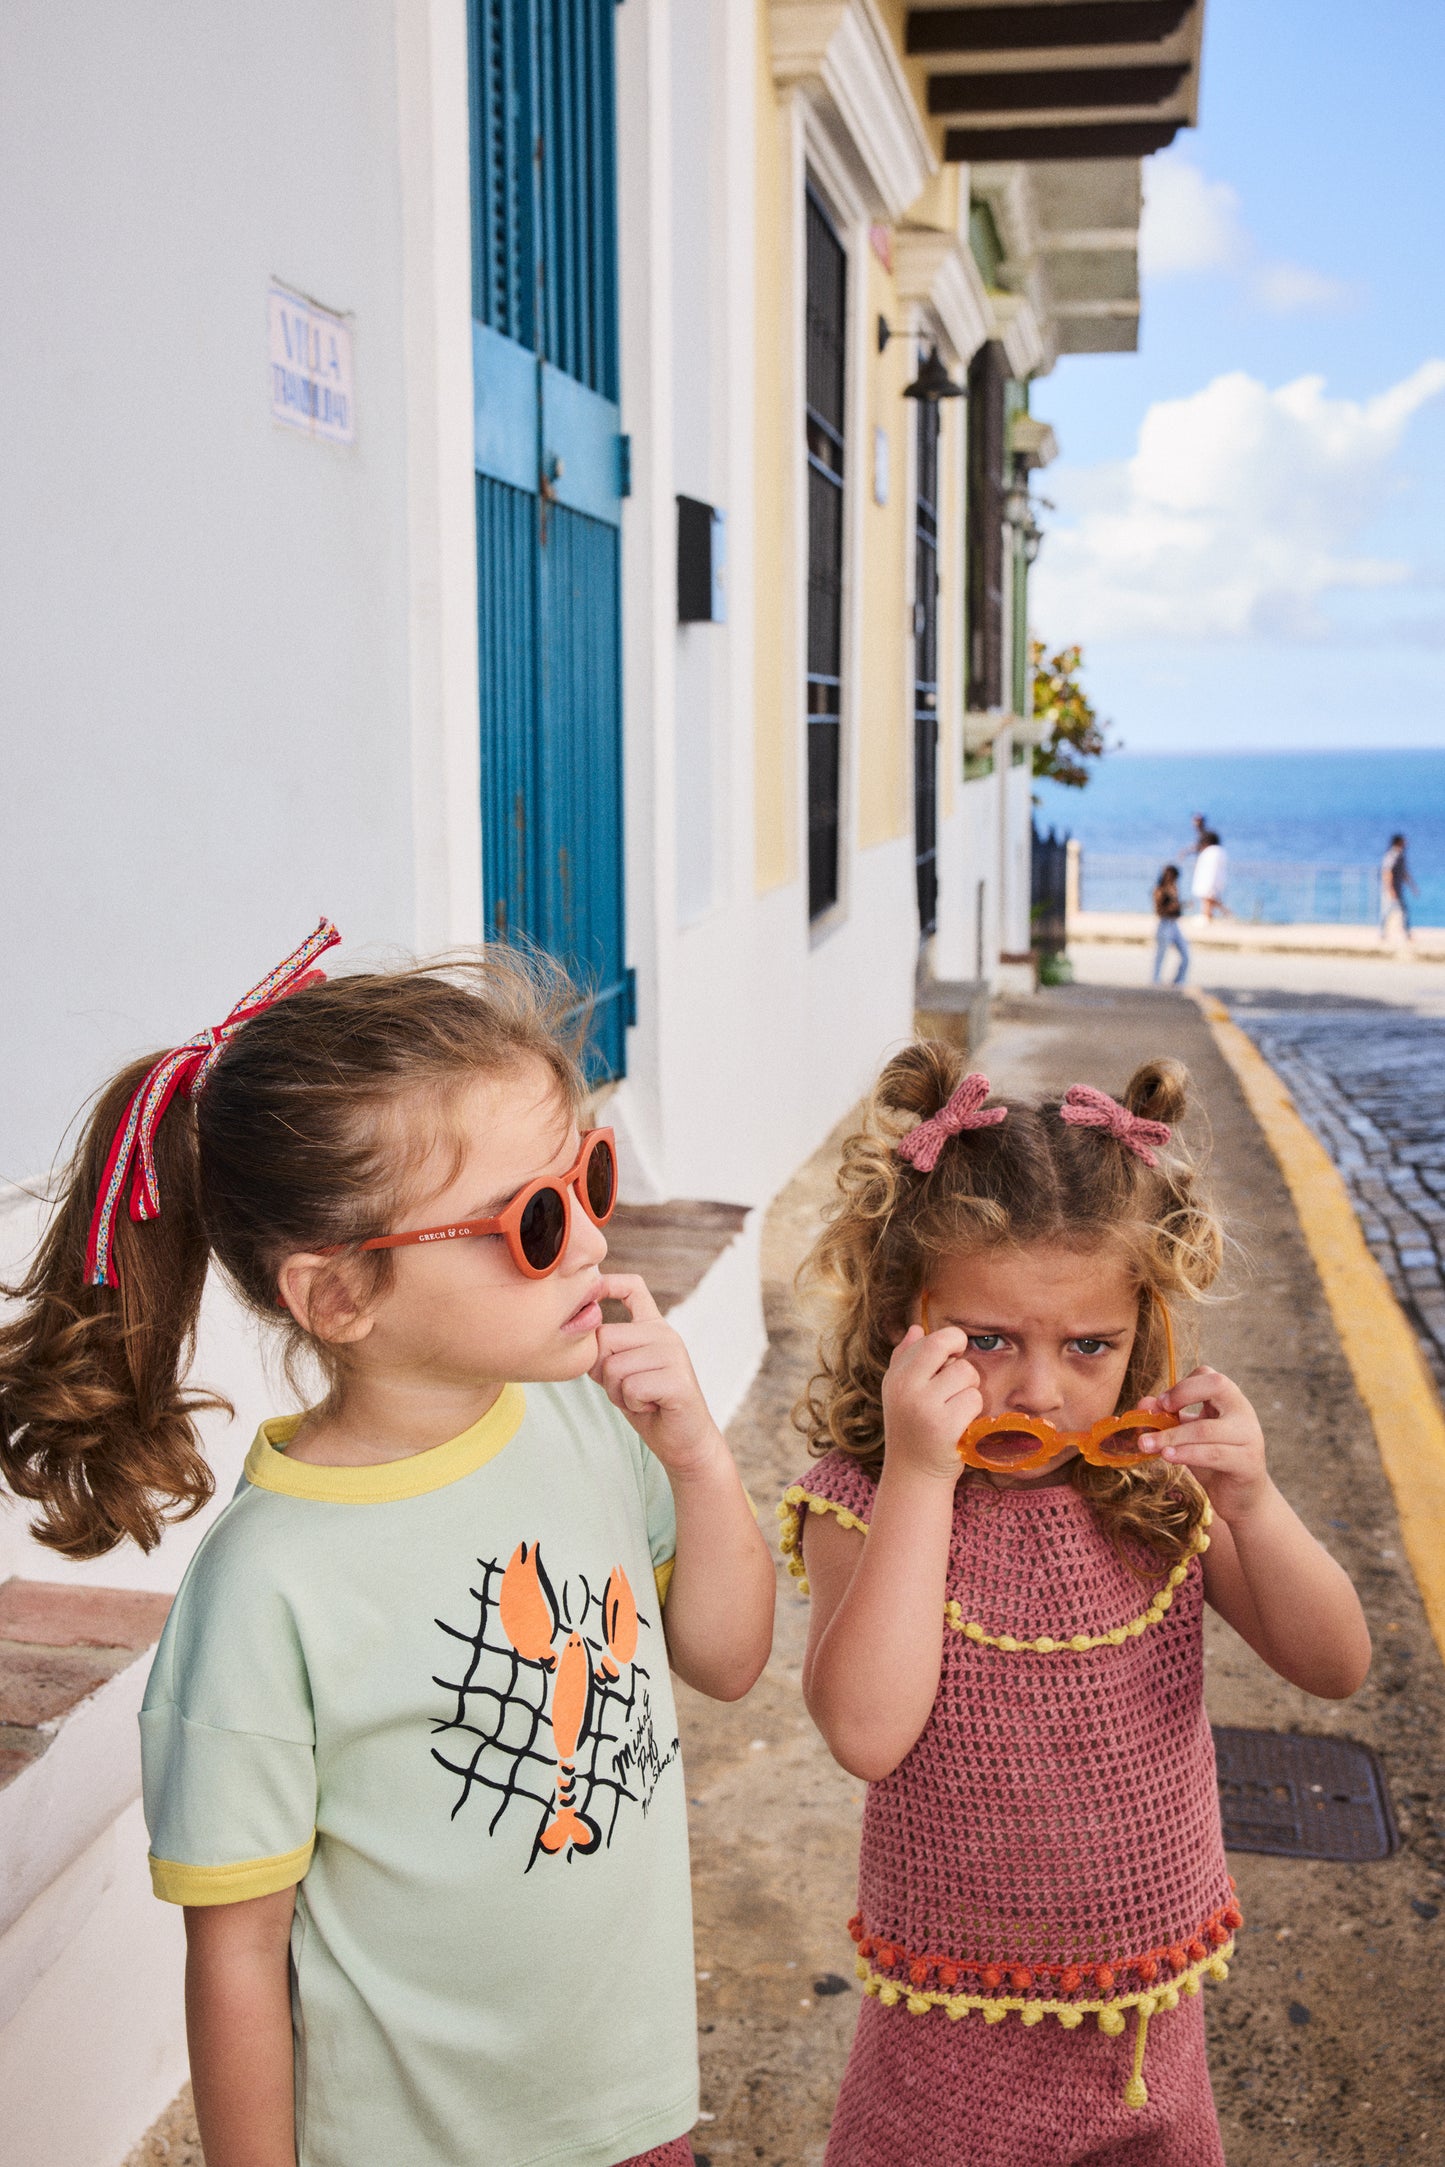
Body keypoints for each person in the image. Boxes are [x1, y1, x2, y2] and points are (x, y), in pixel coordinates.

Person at [0, 921, 775, 2167]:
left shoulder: (587, 1421)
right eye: (532, 1222)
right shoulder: (269, 1587)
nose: (590, 1240)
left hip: (634, 2115)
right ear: (340, 1293)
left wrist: (696, 1457)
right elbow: (237, 1956)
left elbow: (729, 1660)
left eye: (589, 1178)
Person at [779, 1050, 1369, 2167]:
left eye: (1088, 1345)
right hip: (950, 2016)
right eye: (987, 1339)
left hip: (1147, 2010)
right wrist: (921, 1475)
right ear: (903, 1316)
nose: (1041, 1390)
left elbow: (1334, 1662)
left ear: (1143, 1327)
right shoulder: (863, 1498)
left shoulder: (1156, 1486)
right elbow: (863, 1731)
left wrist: (1254, 1499)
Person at [1152, 864, 1189, 986]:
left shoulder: (1174, 889)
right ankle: (1155, 980)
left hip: (1174, 924)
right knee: (1161, 955)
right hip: (1165, 924)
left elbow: (1176, 907)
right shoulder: (1160, 890)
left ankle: (1179, 981)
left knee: (1185, 954)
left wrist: (1179, 904)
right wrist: (1177, 905)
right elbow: (1159, 910)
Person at [1380, 833, 1416, 948]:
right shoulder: (1392, 856)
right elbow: (1387, 872)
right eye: (1404, 841)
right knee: (1387, 912)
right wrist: (1390, 889)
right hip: (1391, 890)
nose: (1406, 844)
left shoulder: (1400, 855)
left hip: (1398, 890)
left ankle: (1407, 933)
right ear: (1399, 842)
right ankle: (1383, 934)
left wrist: (1412, 886)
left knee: (1403, 911)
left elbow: (1403, 873)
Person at [1190, 830, 1227, 920]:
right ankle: (1211, 915)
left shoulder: (1211, 852)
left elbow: (1210, 869)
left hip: (1208, 880)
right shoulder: (1219, 851)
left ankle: (1207, 915)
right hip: (1215, 879)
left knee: (1207, 899)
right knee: (1209, 899)